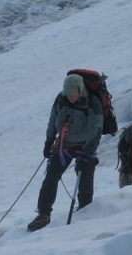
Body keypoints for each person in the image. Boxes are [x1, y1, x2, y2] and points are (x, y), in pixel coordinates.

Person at [27, 73, 103, 232]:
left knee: (85, 175)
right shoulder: (61, 99)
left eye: (72, 94)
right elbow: (53, 121)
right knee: (51, 176)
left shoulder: (92, 104)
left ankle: (84, 211)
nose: (69, 97)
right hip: (64, 145)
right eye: (67, 94)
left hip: (85, 145)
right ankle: (44, 214)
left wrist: (87, 153)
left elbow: (96, 130)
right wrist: (49, 141)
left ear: (80, 89)